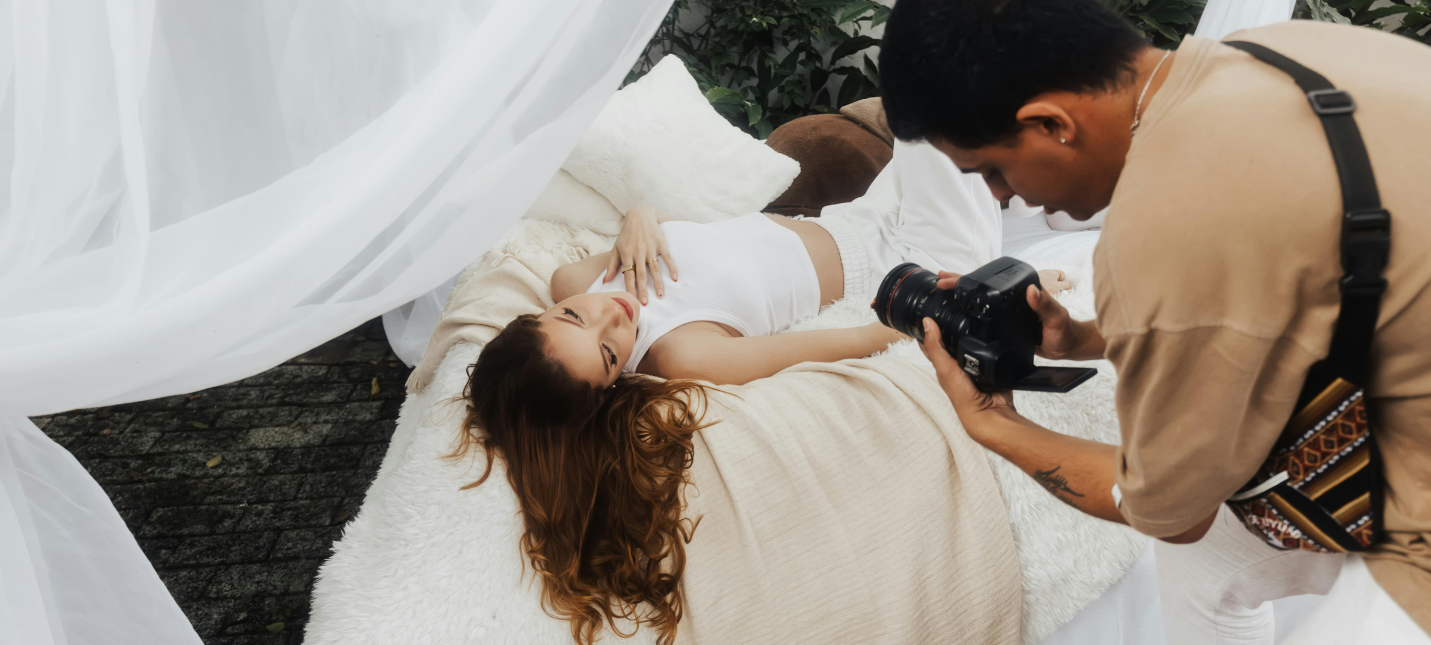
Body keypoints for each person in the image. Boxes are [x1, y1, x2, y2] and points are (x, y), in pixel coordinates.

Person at [875, 0, 1431, 645]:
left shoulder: (1164, 225)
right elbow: (1290, 277)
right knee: (1206, 568)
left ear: (1051, 125)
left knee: (1194, 535)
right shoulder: (1275, 50)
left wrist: (991, 424)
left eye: (992, 172)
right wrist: (1087, 339)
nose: (1010, 200)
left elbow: (1166, 509)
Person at [456, 140, 1067, 645]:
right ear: (615, 383)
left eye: (572, 318)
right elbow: (842, 340)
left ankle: (1051, 209)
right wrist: (983, 296)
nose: (612, 316)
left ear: (543, 312)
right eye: (611, 353)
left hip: (855, 216)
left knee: (926, 106)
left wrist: (636, 219)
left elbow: (654, 223)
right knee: (947, 90)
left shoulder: (573, 276)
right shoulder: (682, 351)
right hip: (906, 256)